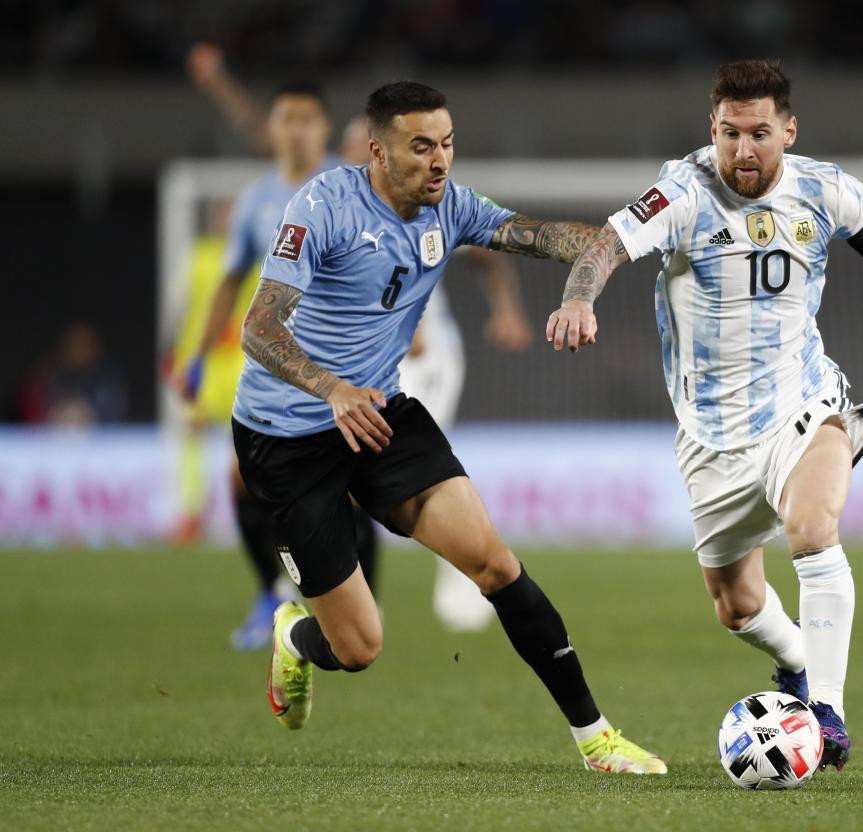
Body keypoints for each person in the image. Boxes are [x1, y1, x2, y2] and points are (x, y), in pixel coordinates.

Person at [545, 59, 863, 771]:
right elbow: (606, 246)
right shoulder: (683, 192)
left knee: (811, 527)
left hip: (804, 404)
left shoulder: (826, 190)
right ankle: (800, 659)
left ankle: (826, 713)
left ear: (789, 131)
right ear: (711, 128)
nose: (743, 150)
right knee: (736, 607)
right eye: (730, 133)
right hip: (710, 438)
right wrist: (581, 296)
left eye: (760, 133)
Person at [232, 81, 665, 774]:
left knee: (495, 563)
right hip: (286, 438)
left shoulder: (451, 208)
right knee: (359, 648)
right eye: (422, 147)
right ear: (378, 151)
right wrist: (332, 388)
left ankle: (597, 739)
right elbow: (258, 326)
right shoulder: (323, 207)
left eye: (448, 145)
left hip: (379, 415)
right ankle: (297, 637)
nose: (440, 162)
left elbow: (545, 236)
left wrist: (634, 242)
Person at [173, 78, 381, 650]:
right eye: (284, 118)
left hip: (346, 364)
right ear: (272, 129)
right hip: (277, 368)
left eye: (306, 118)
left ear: (321, 127)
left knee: (354, 488)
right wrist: (195, 356)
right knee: (239, 479)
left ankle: (361, 607)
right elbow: (230, 278)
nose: (295, 129)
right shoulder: (255, 201)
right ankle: (270, 589)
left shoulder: (355, 187)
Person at [340, 115, 532, 632]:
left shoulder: (428, 202)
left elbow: (488, 253)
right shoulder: (335, 211)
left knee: (421, 475)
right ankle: (362, 604)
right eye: (357, 147)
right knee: (359, 480)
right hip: (367, 366)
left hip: (427, 359)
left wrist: (507, 309)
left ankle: (466, 588)